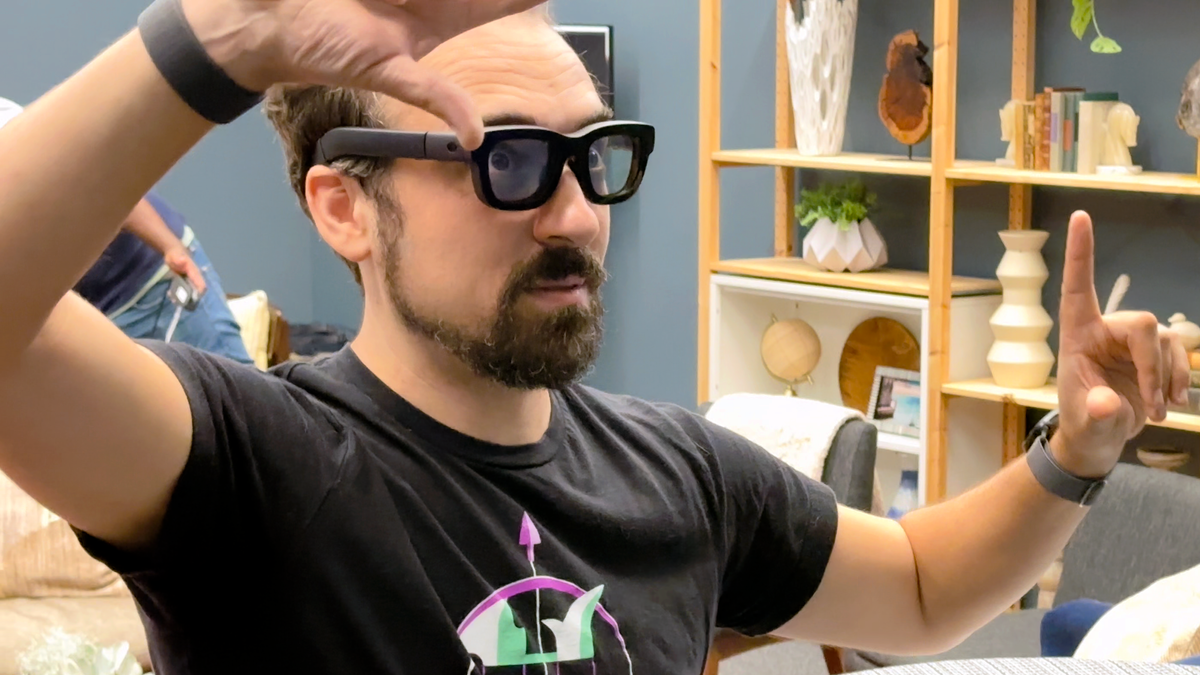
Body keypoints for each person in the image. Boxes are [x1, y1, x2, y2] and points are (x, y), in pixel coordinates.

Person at [0, 1, 1188, 673]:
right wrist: (212, 43)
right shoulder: (251, 463)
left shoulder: (679, 472)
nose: (575, 216)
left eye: (593, 156)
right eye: (510, 161)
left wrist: (1072, 452)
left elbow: (922, 588)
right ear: (344, 207)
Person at [0, 97, 252, 365]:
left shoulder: (8, 130)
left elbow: (92, 179)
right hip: (102, 316)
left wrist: (170, 248)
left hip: (156, 278)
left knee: (238, 384)